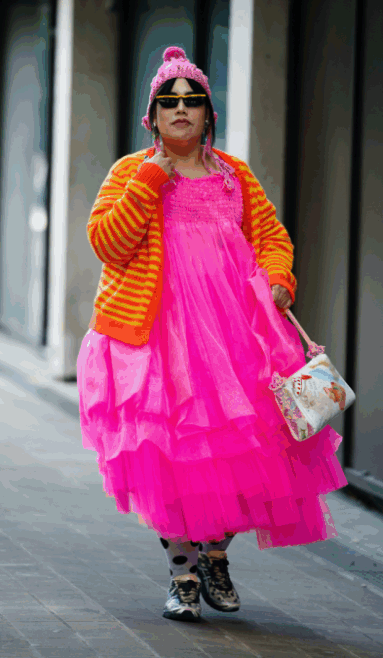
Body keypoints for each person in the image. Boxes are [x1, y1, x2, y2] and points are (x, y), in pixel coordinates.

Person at [77, 46, 346, 623]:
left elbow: (272, 235)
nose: (180, 110)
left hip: (236, 338)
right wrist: (150, 178)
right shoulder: (130, 170)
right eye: (168, 102)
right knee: (173, 458)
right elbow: (107, 242)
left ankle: (216, 555)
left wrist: (279, 277)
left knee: (245, 449)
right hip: (158, 341)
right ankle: (182, 575)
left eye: (191, 101)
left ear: (208, 114)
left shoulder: (233, 173)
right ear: (150, 116)